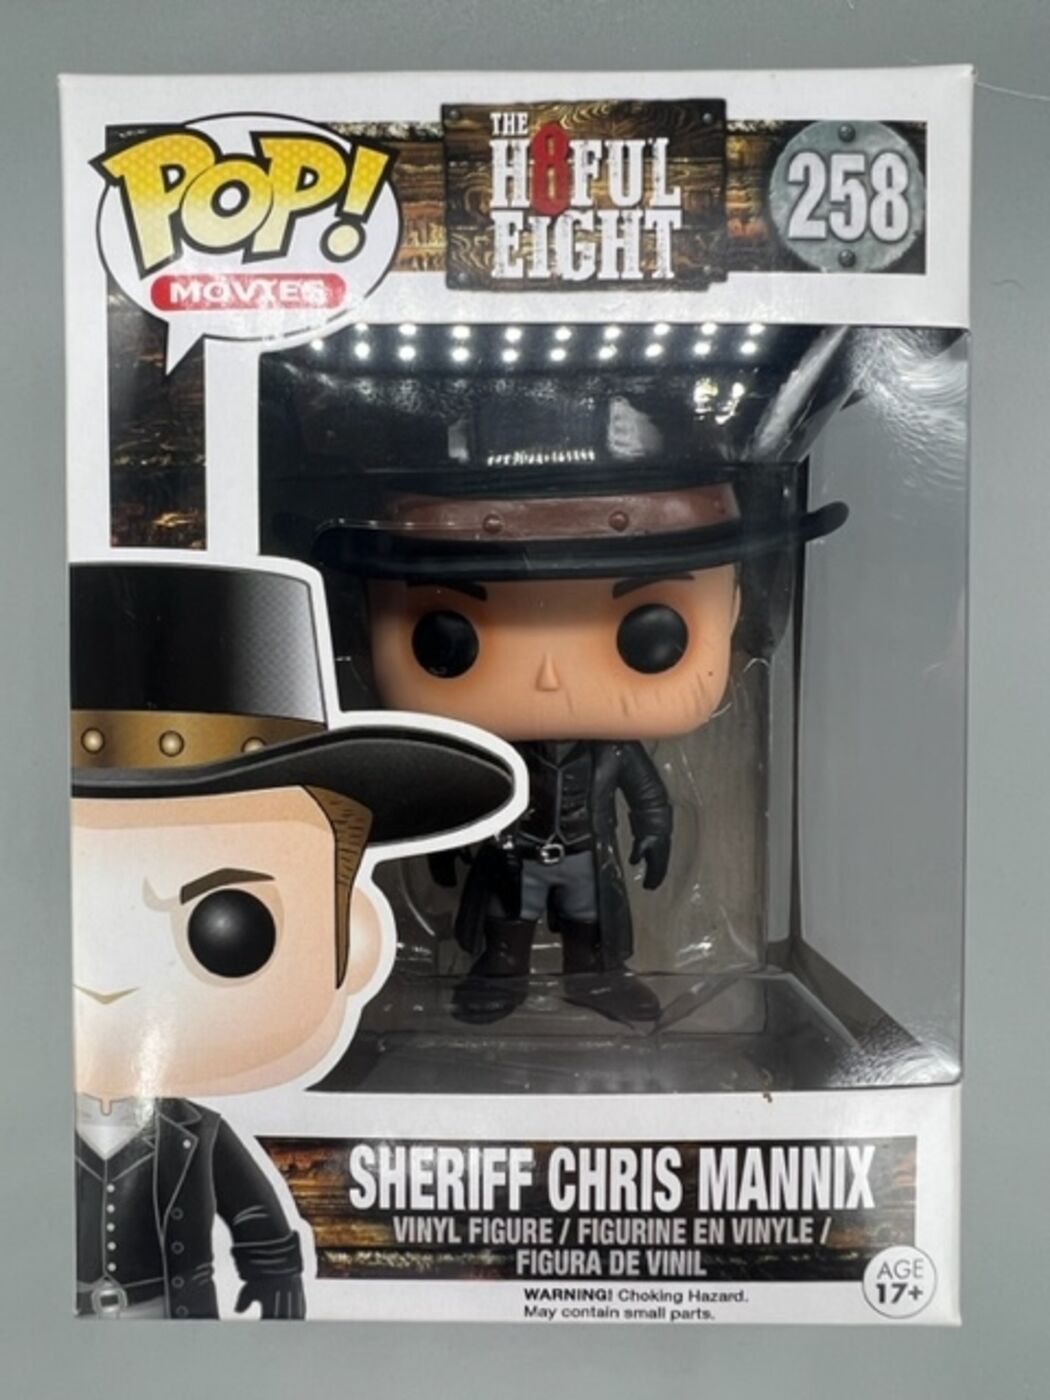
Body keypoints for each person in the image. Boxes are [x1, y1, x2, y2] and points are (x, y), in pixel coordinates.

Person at [70, 559, 515, 1317]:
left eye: (230, 929)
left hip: (174, 1321)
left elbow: (253, 1211)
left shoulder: (195, 1129)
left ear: (355, 941)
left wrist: (275, 1272)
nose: (108, 977)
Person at [315, 394, 847, 1025]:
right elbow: (460, 796)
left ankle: (594, 979)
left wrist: (655, 832)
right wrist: (443, 841)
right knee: (506, 926)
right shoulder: (497, 754)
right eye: (448, 637)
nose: (548, 677)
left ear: (733, 609)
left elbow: (647, 795)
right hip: (513, 854)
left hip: (583, 856)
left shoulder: (612, 750)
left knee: (588, 928)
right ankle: (500, 976)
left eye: (650, 634)